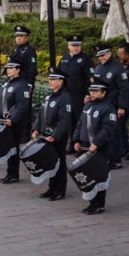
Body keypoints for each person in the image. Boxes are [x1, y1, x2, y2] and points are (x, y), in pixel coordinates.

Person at [73, 83, 119, 214]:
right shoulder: (88, 106)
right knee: (88, 175)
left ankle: (99, 204)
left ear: (104, 92)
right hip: (86, 146)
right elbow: (80, 124)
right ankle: (92, 202)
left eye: (96, 91)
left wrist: (97, 143)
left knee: (98, 176)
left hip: (99, 148)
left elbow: (108, 128)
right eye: (91, 91)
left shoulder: (108, 108)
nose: (92, 93)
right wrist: (76, 140)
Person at [33, 71, 75, 201]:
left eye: (53, 79)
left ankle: (60, 190)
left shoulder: (65, 97)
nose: (50, 81)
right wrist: (36, 129)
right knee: (50, 161)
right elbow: (40, 114)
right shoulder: (49, 96)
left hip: (58, 136)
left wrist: (55, 136)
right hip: (46, 133)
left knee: (59, 162)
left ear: (61, 81)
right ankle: (52, 187)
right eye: (49, 79)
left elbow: (64, 120)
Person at [0, 61, 33, 184]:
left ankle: (13, 174)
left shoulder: (22, 85)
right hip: (3, 120)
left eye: (11, 68)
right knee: (8, 147)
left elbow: (22, 107)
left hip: (14, 122)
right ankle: (10, 172)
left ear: (18, 70)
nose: (8, 70)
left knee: (13, 148)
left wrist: (13, 120)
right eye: (7, 68)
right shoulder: (6, 83)